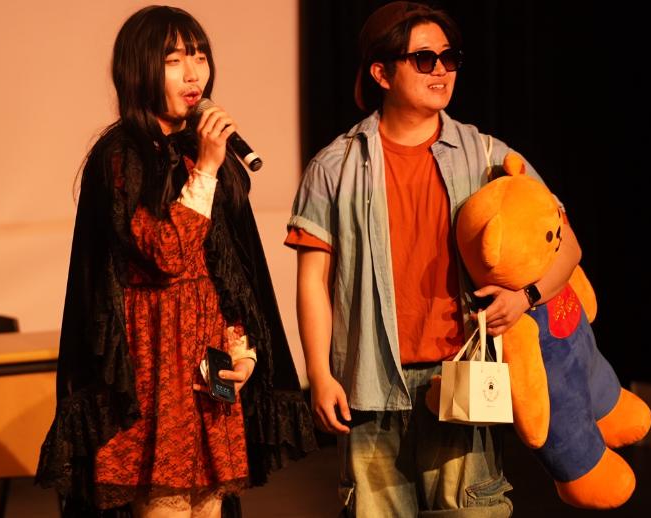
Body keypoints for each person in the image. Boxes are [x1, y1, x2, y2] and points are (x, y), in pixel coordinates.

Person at [285, 2, 582, 516]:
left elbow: (568, 246)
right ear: (382, 73)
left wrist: (525, 297)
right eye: (424, 59)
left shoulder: (486, 155)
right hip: (369, 386)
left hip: (460, 381)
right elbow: (313, 279)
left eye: (450, 57)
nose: (441, 70)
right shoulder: (335, 166)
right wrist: (319, 372)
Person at [36, 6, 315, 517]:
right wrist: (206, 168)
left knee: (210, 508)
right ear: (140, 70)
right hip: (153, 372)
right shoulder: (122, 156)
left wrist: (242, 349)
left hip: (207, 372)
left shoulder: (201, 151)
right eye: (174, 60)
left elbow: (227, 271)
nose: (193, 73)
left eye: (200, 56)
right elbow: (168, 253)